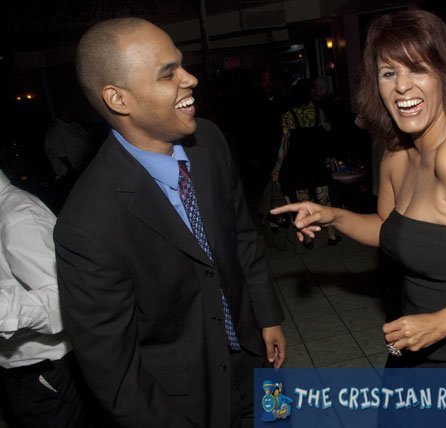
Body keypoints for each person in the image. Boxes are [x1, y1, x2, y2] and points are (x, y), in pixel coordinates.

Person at [271, 9, 446, 368]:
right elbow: (388, 228)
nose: (402, 86)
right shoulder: (397, 152)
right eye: (389, 73)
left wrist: (439, 324)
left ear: (444, 74)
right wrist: (333, 216)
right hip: (416, 333)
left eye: (418, 68)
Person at [54, 17, 286, 428]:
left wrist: (267, 316)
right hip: (186, 404)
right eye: (168, 73)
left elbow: (242, 237)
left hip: (256, 359)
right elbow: (117, 376)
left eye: (182, 64)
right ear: (118, 99)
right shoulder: (87, 224)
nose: (190, 78)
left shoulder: (208, 141)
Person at [0, 168, 89, 427]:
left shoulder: (18, 216)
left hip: (50, 372)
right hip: (21, 371)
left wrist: (5, 309)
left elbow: (66, 301)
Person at [271, 79, 340, 248]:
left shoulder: (288, 115)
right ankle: (331, 236)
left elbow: (284, 144)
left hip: (298, 164)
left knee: (304, 203)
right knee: (324, 201)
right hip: (317, 161)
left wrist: (277, 168)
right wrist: (331, 156)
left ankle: (309, 240)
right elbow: (329, 135)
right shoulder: (318, 112)